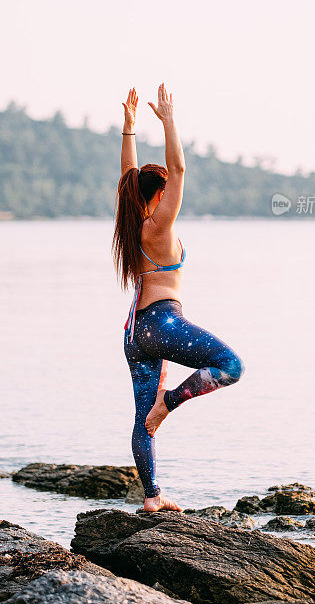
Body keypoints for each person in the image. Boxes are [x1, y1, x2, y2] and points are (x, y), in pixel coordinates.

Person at [112, 83, 245, 512]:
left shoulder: (133, 226)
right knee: (231, 366)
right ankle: (168, 405)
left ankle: (152, 498)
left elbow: (127, 177)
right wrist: (169, 121)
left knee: (140, 420)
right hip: (163, 324)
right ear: (157, 195)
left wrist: (129, 129)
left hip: (136, 333)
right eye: (164, 190)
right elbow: (180, 169)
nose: (172, 193)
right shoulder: (159, 226)